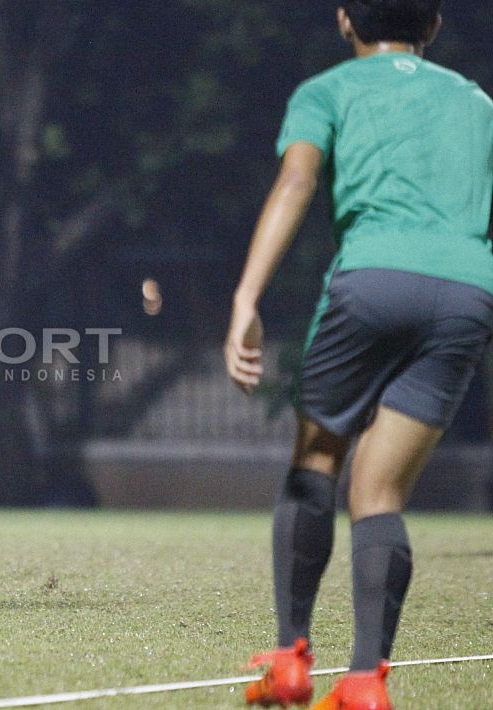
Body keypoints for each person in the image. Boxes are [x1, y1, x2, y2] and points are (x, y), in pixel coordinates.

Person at [224, 2, 492, 708]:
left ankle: (289, 658)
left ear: (346, 22)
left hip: (373, 279)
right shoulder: (477, 102)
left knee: (317, 460)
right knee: (380, 490)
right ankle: (368, 678)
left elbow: (296, 182)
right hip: (467, 291)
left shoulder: (328, 90)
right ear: (432, 26)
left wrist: (247, 297)